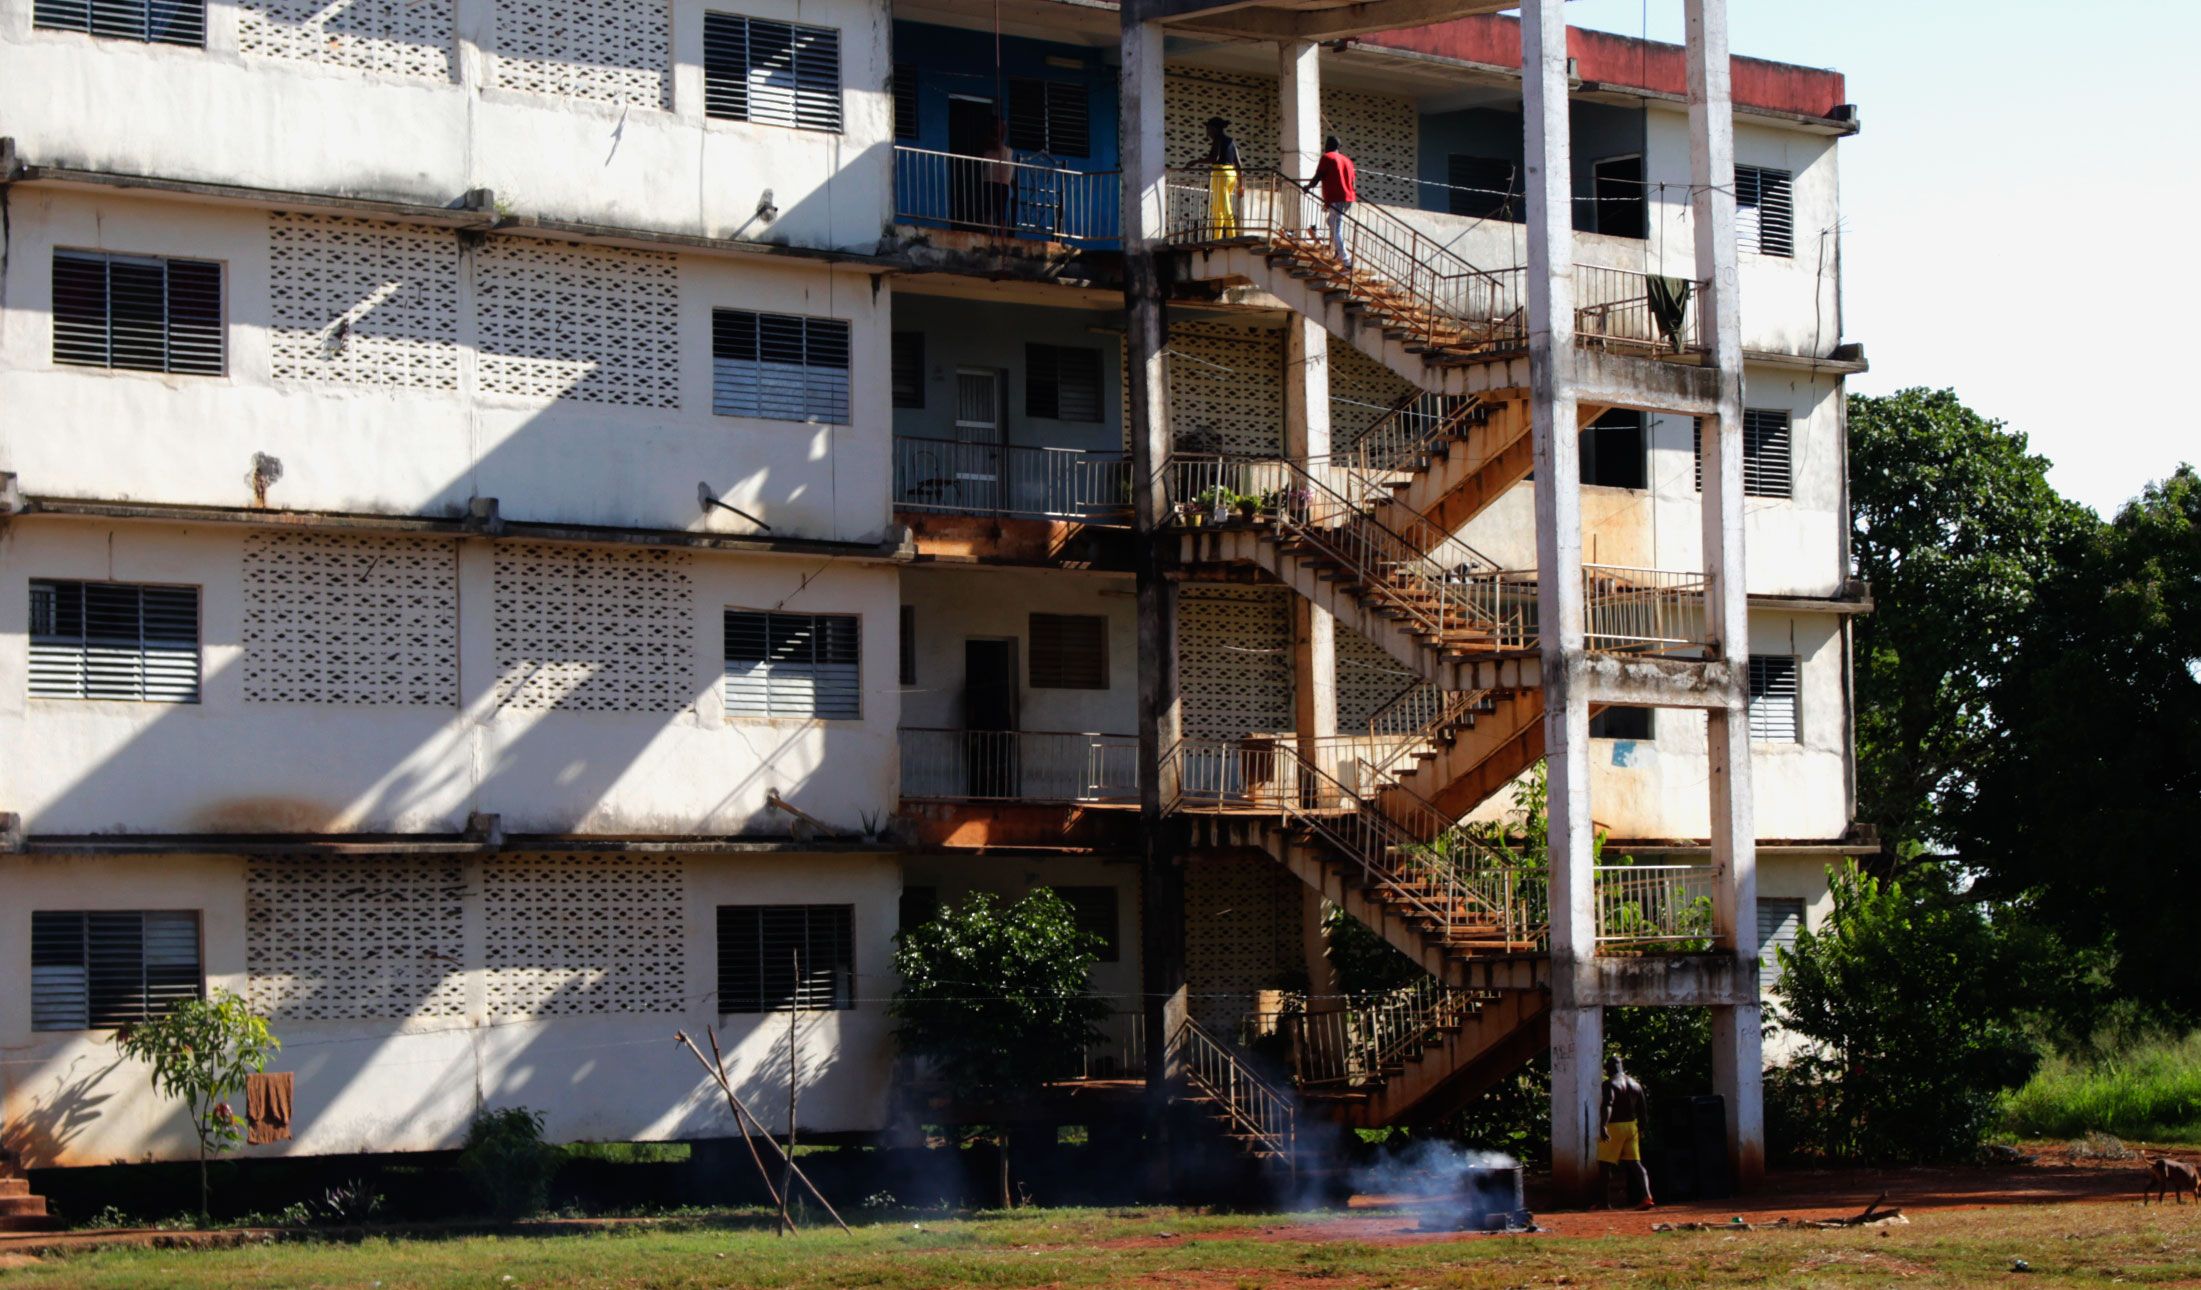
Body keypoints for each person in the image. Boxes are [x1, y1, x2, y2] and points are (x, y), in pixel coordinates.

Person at [1597, 1054, 1656, 1210]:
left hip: (1615, 1126)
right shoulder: (1635, 1084)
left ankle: (1604, 1203)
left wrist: (1603, 1124)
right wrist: (1642, 1129)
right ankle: (1647, 1196)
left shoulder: (1609, 1084)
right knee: (1635, 1163)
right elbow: (1643, 1110)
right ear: (1621, 1066)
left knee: (1604, 1165)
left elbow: (1608, 1104)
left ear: (1609, 1068)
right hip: (1631, 1127)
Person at [1303, 134, 1357, 271]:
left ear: (1329, 145)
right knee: (1331, 222)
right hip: (1348, 198)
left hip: (1337, 198)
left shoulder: (1327, 157)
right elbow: (1353, 183)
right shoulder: (1347, 160)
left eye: (1326, 144)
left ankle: (1346, 260)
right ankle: (1339, 252)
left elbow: (1318, 176)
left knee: (1336, 228)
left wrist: (1308, 187)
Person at [1201, 116, 1242, 239]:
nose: (1207, 132)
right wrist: (1241, 184)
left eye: (1208, 129)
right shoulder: (1231, 141)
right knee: (1218, 207)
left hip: (1221, 175)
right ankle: (1217, 237)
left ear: (1214, 129)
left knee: (1224, 208)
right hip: (1231, 175)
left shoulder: (1218, 139)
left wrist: (1194, 161)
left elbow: (1214, 158)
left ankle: (1232, 237)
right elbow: (1239, 165)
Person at [981, 118, 1016, 234]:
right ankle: (990, 233)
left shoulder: (1006, 150)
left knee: (999, 210)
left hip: (1002, 181)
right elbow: (995, 144)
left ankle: (999, 234)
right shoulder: (990, 144)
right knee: (991, 209)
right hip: (991, 179)